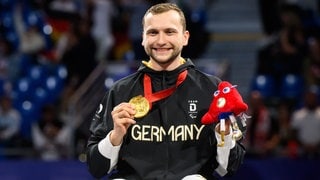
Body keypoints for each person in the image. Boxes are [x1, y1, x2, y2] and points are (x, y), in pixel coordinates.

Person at [86, 3, 246, 179]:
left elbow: (230, 168)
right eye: (153, 32)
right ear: (143, 38)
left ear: (185, 37)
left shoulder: (212, 90)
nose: (161, 41)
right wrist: (115, 136)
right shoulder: (120, 91)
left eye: (170, 32)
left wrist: (224, 135)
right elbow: (96, 168)